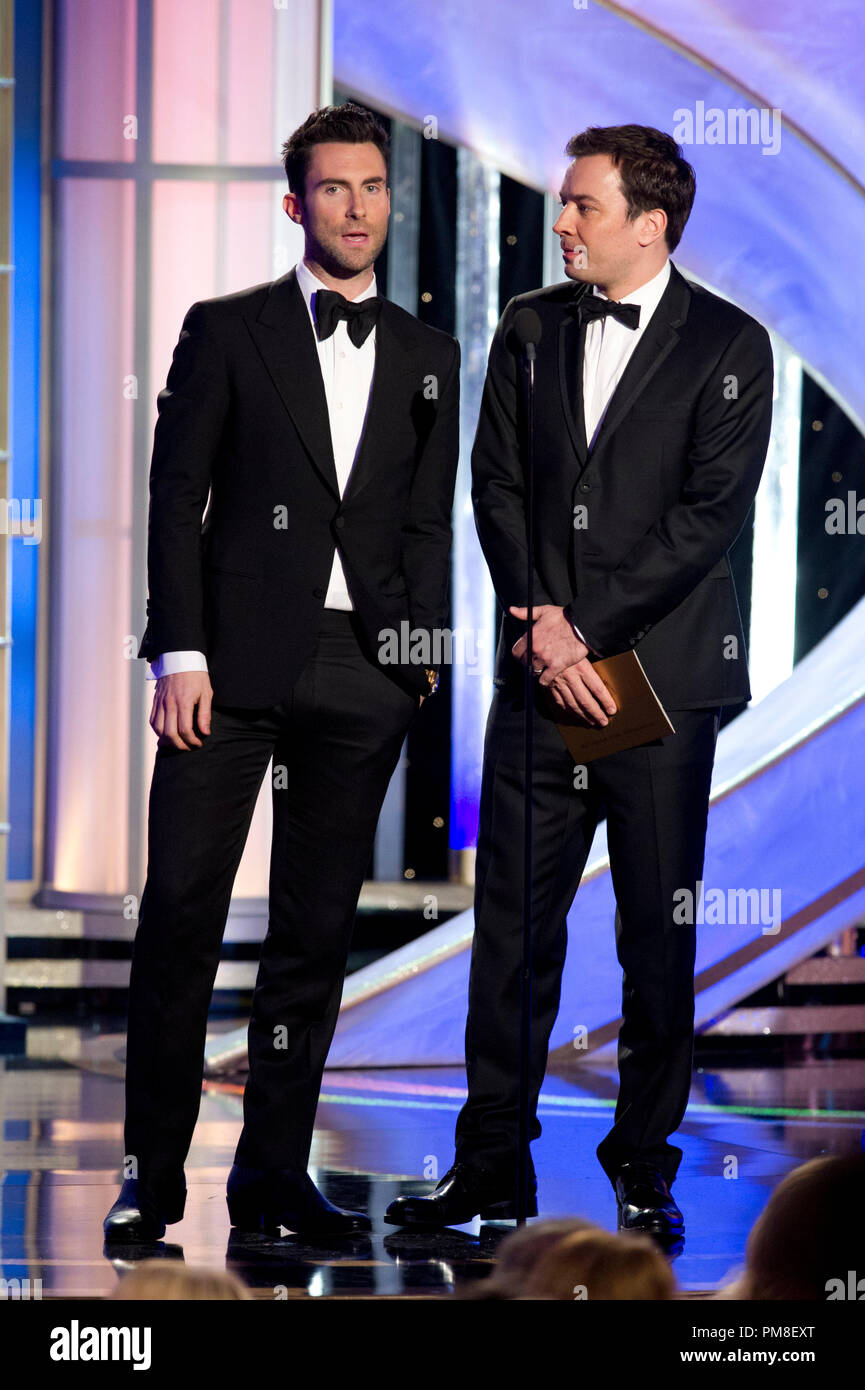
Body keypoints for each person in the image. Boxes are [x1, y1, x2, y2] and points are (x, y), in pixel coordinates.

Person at [386, 124, 773, 1237]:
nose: (559, 223)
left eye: (581, 207)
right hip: (540, 686)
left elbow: (706, 520)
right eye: (562, 206)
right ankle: (490, 1167)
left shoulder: (731, 344)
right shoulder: (526, 326)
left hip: (654, 682)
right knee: (510, 933)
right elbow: (494, 485)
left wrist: (584, 629)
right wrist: (546, 630)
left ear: (648, 225)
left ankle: (643, 1166)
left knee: (655, 934)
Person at [104, 103, 460, 1242]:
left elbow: (421, 527)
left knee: (312, 942)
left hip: (364, 678)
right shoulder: (226, 329)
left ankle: (269, 1183)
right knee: (180, 922)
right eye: (335, 188)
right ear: (295, 201)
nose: (357, 207)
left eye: (373, 187)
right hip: (228, 674)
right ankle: (149, 1181)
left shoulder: (428, 355)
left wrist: (417, 659)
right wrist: (180, 648)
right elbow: (173, 500)